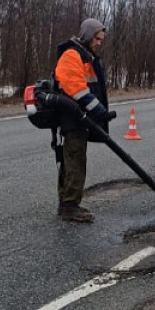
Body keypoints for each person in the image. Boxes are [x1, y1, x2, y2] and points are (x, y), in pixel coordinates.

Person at [53, 18, 115, 223]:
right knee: (75, 161)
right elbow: (77, 88)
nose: (99, 42)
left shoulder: (86, 55)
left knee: (72, 160)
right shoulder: (72, 55)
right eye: (97, 38)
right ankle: (70, 205)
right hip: (73, 118)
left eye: (101, 39)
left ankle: (66, 203)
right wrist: (99, 111)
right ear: (87, 35)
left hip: (81, 117)